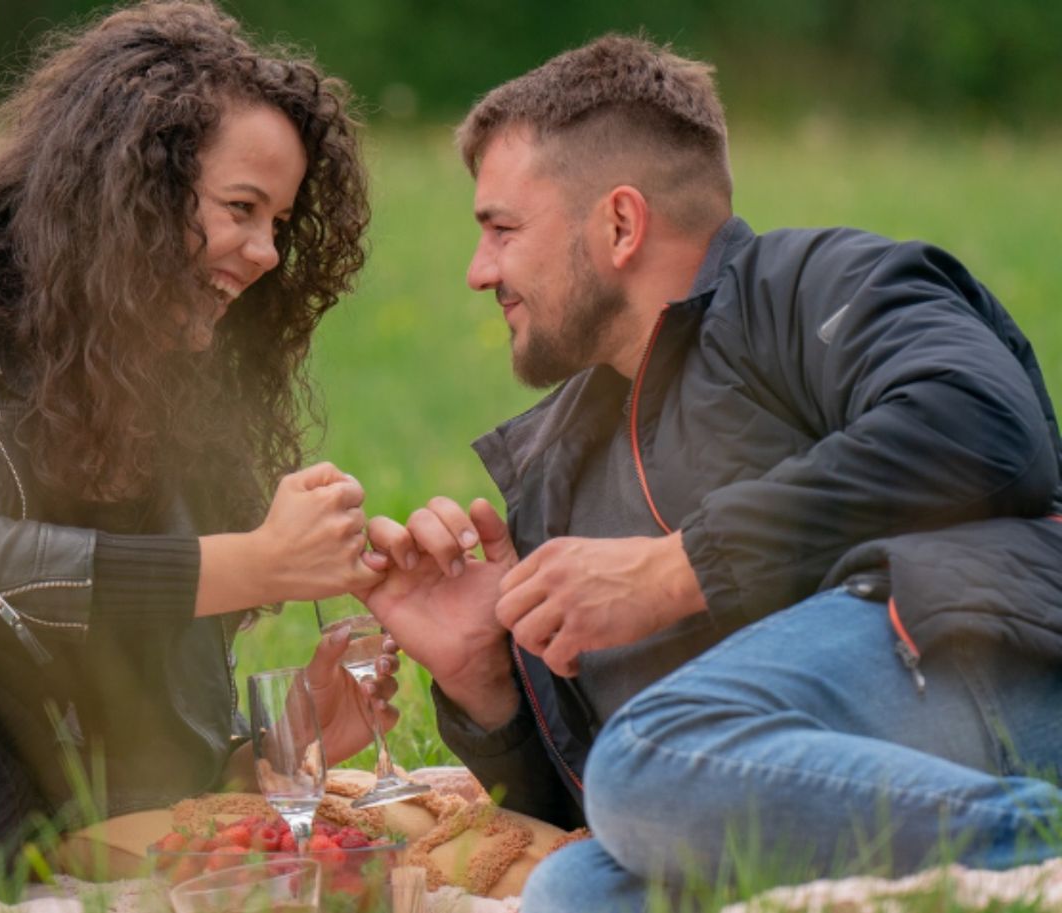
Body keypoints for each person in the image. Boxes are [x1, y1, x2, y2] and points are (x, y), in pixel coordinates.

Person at [363, 33, 1062, 913]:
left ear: (620, 223)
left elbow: (985, 426)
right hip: (820, 788)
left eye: (502, 229)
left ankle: (1035, 849)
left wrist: (678, 566)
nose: (479, 271)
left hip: (994, 672)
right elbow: (617, 809)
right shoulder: (557, 471)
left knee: (652, 756)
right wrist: (489, 681)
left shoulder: (809, 284)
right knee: (576, 888)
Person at [0, 1, 399, 906]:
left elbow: (145, 767)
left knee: (18, 815)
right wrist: (252, 562)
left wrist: (287, 739)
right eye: (241, 208)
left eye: (280, 221)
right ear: (131, 190)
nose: (267, 252)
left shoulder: (165, 402)